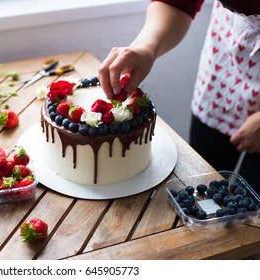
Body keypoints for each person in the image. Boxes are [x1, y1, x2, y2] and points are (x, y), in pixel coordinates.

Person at [98, 0, 260, 194]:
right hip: (224, 67)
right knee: (202, 187)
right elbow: (178, 4)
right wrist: (146, 47)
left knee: (251, 208)